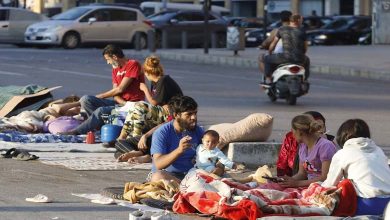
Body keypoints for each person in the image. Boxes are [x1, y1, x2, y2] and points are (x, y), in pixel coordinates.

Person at [62, 44, 145, 135]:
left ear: (114, 57)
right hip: (121, 103)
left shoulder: (133, 64)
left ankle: (76, 131)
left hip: (133, 104)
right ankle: (97, 127)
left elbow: (120, 89)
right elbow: (115, 93)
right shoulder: (115, 69)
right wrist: (122, 102)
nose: (108, 63)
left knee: (100, 111)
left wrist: (101, 96)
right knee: (86, 99)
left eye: (108, 59)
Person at [115, 55, 183, 163]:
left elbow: (154, 102)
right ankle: (133, 147)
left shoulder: (163, 80)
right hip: (161, 113)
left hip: (170, 114)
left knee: (140, 106)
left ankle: (136, 144)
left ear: (147, 73)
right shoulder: (155, 83)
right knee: (118, 151)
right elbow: (157, 104)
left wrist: (145, 90)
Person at [322, 119, 390, 215]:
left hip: (368, 205)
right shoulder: (378, 150)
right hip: (388, 204)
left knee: (345, 185)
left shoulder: (342, 153)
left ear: (343, 137)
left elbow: (330, 184)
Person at [148, 96, 204, 184]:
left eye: (195, 113)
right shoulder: (162, 132)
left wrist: (219, 165)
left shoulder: (198, 131)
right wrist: (179, 150)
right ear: (176, 115)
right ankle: (185, 187)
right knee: (157, 177)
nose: (193, 117)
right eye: (189, 114)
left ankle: (185, 187)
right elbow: (159, 164)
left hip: (191, 175)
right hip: (168, 175)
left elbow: (211, 154)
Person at [278, 114, 337, 188]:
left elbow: (325, 177)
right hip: (309, 186)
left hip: (324, 188)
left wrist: (297, 184)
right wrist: (288, 180)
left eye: (293, 132)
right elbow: (302, 174)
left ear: (300, 133)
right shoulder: (302, 146)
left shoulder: (325, 146)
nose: (292, 135)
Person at [262, 14, 310, 85]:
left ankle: (268, 78)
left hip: (284, 57)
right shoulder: (302, 31)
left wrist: (270, 52)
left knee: (267, 58)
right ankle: (305, 79)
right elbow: (305, 47)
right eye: (301, 20)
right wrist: (303, 55)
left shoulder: (282, 29)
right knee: (307, 60)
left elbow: (273, 43)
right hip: (299, 58)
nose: (302, 22)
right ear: (298, 21)